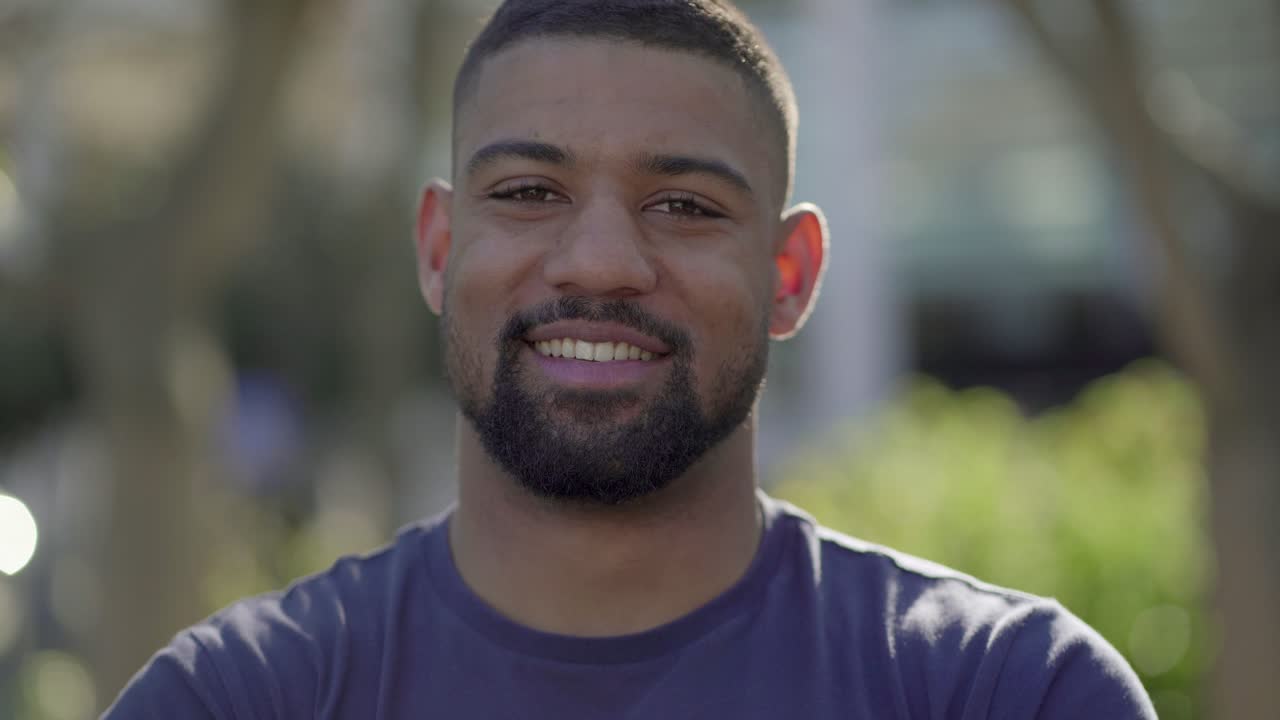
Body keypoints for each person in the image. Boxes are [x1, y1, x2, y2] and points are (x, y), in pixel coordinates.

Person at [104, 1, 1157, 717]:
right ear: (437, 249)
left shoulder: (1003, 692)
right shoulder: (240, 699)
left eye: (684, 206)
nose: (600, 262)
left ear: (789, 273)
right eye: (526, 193)